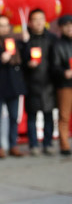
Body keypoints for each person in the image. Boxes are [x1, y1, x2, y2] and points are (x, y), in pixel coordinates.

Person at [0, 14, 27, 158]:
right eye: (1, 25)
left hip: (14, 85)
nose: (4, 28)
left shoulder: (16, 42)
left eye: (6, 25)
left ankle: (13, 145)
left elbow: (25, 60)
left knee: (14, 117)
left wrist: (26, 41)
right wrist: (1, 59)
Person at [22, 9, 58, 156]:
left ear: (45, 21)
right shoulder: (25, 39)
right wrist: (25, 47)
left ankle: (48, 143)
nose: (38, 22)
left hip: (49, 82)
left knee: (48, 115)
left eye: (41, 19)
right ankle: (34, 145)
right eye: (35, 19)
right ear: (30, 22)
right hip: (31, 82)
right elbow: (20, 62)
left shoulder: (52, 39)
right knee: (32, 116)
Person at [52, 14, 72, 157]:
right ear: (60, 28)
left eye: (71, 25)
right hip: (65, 84)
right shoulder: (57, 45)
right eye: (66, 25)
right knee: (64, 116)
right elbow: (54, 66)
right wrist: (65, 72)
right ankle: (64, 144)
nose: (69, 28)